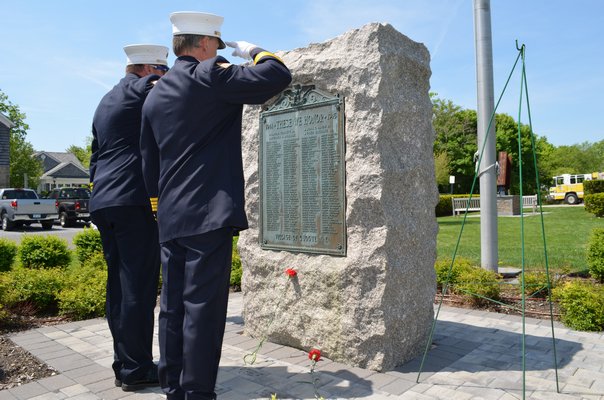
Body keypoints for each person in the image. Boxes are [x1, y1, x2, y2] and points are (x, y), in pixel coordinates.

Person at [140, 11, 292, 400]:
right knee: (203, 310)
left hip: (171, 216)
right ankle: (197, 392)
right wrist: (253, 51)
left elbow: (149, 161)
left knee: (172, 308)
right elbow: (277, 75)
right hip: (208, 214)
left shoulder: (154, 92)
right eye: (217, 45)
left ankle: (173, 386)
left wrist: (161, 206)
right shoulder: (209, 75)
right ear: (205, 44)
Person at [89, 44, 168, 392]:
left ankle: (124, 363)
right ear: (148, 68)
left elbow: (95, 157)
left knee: (118, 288)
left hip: (105, 201)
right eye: (161, 70)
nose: (165, 77)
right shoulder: (143, 89)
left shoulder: (105, 100)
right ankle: (137, 369)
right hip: (134, 201)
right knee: (138, 286)